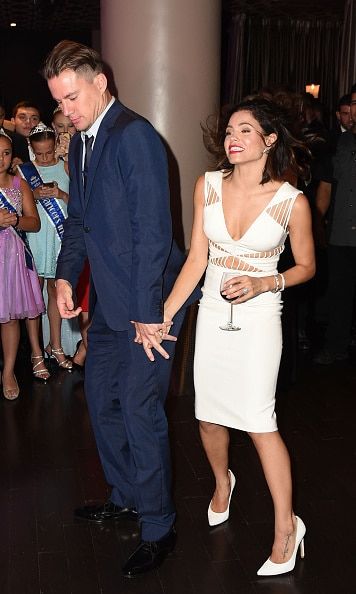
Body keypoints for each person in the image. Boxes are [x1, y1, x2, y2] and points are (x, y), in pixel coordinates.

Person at [42, 40, 199, 578]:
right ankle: (127, 494)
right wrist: (66, 277)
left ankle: (159, 525)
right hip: (111, 302)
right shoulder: (83, 144)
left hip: (150, 303)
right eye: (60, 102)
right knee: (101, 403)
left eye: (72, 96)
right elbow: (81, 223)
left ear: (101, 82)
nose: (67, 109)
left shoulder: (134, 137)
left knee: (139, 410)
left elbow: (154, 234)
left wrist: (146, 313)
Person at [163, 97, 315, 576]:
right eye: (230, 129)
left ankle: (286, 529)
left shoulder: (292, 200)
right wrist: (164, 314)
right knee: (207, 417)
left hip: (260, 317)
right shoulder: (206, 185)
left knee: (258, 421)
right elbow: (195, 260)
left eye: (245, 130)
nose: (232, 137)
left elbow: (308, 267)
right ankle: (222, 482)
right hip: (212, 312)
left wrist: (264, 281)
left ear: (269, 140)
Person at [18, 124, 73, 379]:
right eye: (39, 154)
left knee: (54, 291)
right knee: (33, 296)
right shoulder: (24, 172)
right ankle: (36, 352)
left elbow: (79, 204)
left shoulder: (64, 166)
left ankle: (57, 345)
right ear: (31, 149)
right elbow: (17, 210)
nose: (44, 158)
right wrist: (34, 195)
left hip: (59, 240)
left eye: (49, 153)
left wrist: (60, 193)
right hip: (36, 240)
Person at [0, 131, 44, 399]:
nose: (1, 159)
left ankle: (8, 371)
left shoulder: (20, 184)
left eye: (5, 153)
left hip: (12, 259)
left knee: (10, 317)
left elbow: (34, 222)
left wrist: (15, 220)